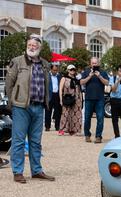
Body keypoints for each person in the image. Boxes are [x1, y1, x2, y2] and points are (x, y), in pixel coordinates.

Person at [5, 34, 55, 183]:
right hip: (21, 107)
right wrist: (12, 101)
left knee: (35, 142)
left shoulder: (45, 64)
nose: (32, 47)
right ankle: (18, 172)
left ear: (39, 47)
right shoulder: (17, 62)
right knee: (19, 141)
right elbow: (9, 84)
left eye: (35, 45)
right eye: (30, 45)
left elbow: (48, 86)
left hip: (38, 107)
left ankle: (37, 170)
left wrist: (47, 101)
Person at [80, 57, 109, 143]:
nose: (94, 65)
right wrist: (89, 76)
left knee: (100, 118)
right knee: (87, 118)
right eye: (93, 63)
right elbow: (81, 82)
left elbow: (107, 83)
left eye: (96, 63)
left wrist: (99, 76)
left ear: (98, 64)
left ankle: (98, 136)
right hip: (89, 98)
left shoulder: (102, 72)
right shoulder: (86, 71)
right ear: (90, 64)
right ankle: (87, 135)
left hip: (100, 99)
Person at [59, 64, 82, 136]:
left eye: (74, 69)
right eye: (71, 69)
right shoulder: (64, 78)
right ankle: (62, 129)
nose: (72, 71)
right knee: (65, 113)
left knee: (76, 114)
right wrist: (60, 99)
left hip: (76, 98)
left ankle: (74, 130)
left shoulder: (76, 79)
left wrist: (81, 99)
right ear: (68, 70)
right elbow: (60, 89)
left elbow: (79, 89)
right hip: (67, 97)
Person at [109, 65, 121, 138]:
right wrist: (117, 81)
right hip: (114, 100)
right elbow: (113, 90)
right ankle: (117, 135)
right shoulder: (113, 78)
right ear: (118, 72)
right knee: (115, 119)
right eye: (120, 71)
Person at [45, 64, 62, 132]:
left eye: (56, 70)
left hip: (57, 95)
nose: (55, 71)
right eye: (54, 70)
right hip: (50, 95)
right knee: (48, 111)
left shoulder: (59, 76)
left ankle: (57, 126)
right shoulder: (47, 76)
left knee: (58, 111)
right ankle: (47, 126)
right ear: (51, 70)